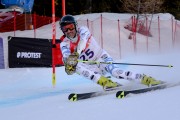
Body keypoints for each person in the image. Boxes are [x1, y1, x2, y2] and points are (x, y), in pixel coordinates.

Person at [59, 14, 161, 90]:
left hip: (101, 58)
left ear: (75, 26)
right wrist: (69, 65)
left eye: (71, 27)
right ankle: (105, 82)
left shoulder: (83, 30)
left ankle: (145, 79)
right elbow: (66, 56)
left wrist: (76, 53)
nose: (69, 31)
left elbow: (83, 41)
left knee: (116, 73)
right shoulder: (64, 43)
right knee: (72, 63)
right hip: (90, 67)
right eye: (65, 29)